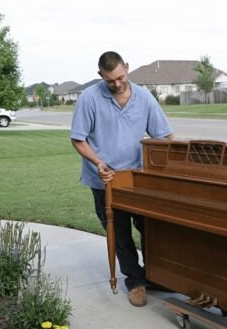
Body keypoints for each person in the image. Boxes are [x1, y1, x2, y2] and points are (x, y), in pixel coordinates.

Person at [70, 51, 175, 307]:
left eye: (120, 77)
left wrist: (177, 161)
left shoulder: (144, 97)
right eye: (110, 80)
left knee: (151, 228)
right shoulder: (89, 99)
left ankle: (155, 274)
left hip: (138, 178)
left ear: (127, 68)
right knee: (119, 234)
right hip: (105, 180)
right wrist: (98, 164)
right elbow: (78, 139)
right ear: (100, 76)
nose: (117, 84)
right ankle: (135, 281)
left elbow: (164, 137)